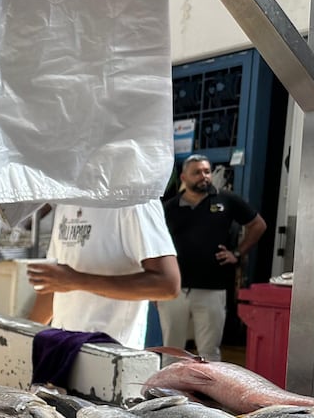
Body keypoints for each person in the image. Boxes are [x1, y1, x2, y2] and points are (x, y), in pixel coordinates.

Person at [157, 154, 266, 362]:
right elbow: (154, 242)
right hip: (174, 291)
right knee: (171, 349)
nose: (204, 176)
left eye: (206, 171)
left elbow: (258, 225)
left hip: (212, 289)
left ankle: (207, 394)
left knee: (209, 351)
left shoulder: (227, 200)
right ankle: (167, 392)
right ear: (183, 177)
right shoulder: (169, 208)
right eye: (197, 172)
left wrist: (237, 253)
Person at [27, 201, 180, 349]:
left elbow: (167, 284)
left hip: (112, 353)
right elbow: (54, 284)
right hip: (64, 347)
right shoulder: (66, 203)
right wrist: (27, 337)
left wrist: (77, 281)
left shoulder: (135, 202)